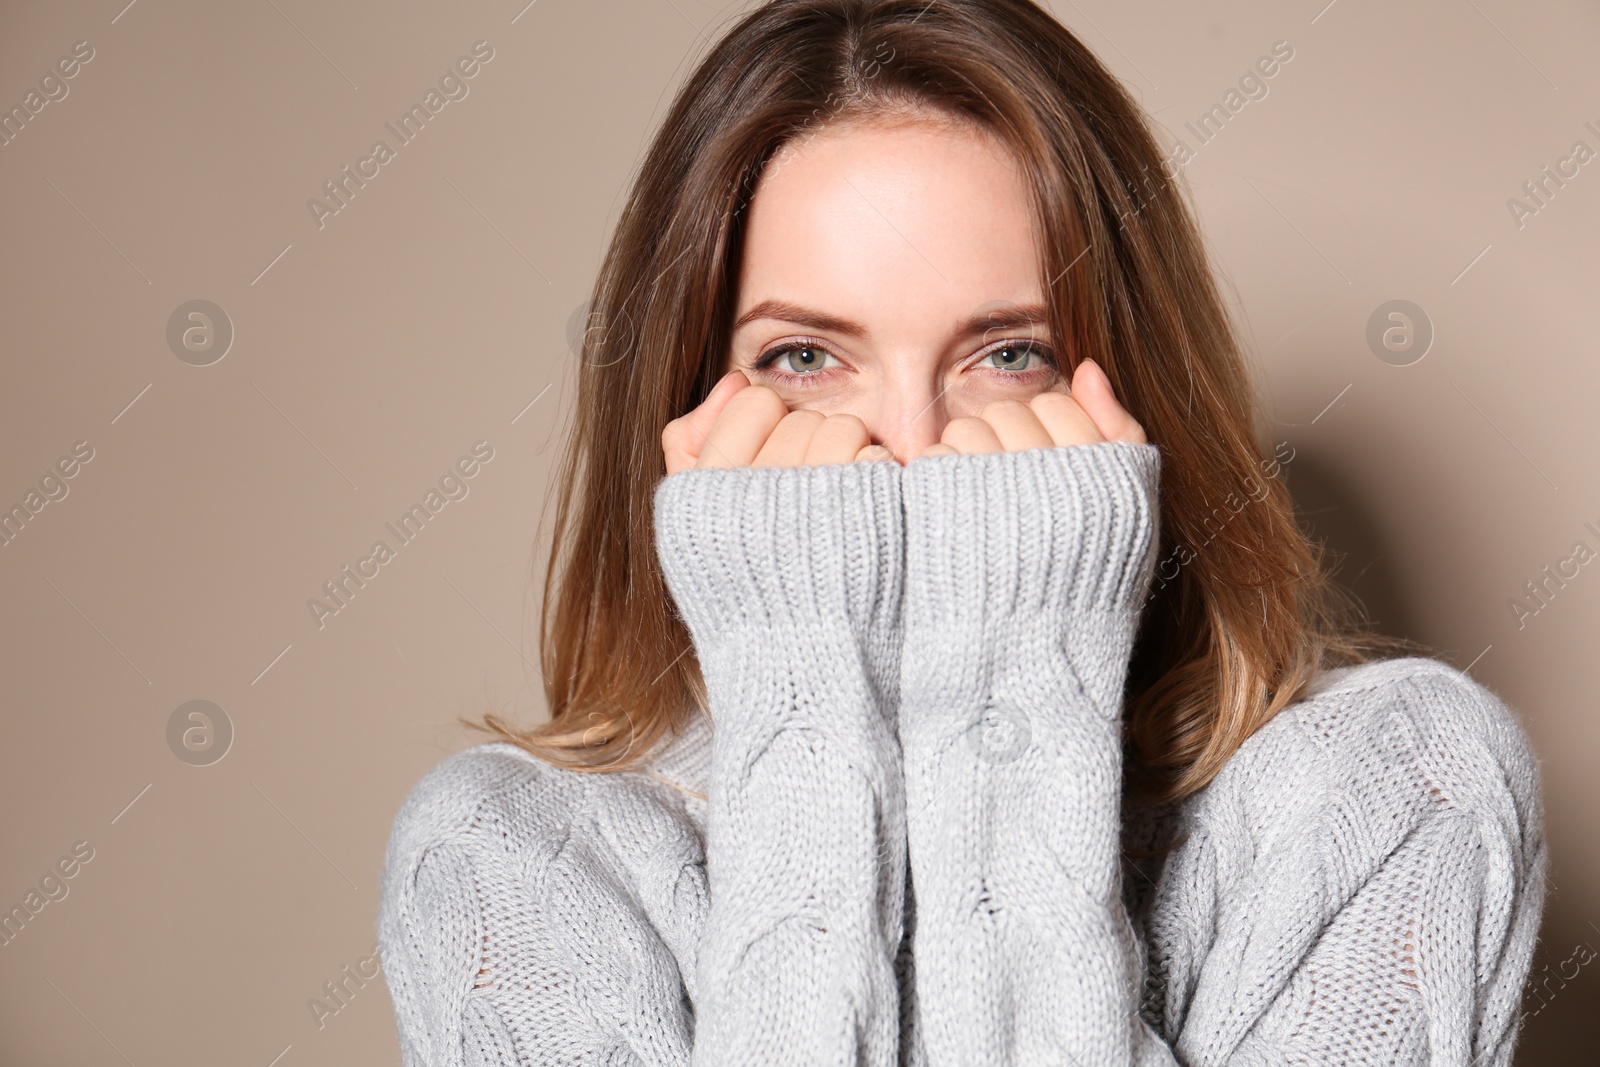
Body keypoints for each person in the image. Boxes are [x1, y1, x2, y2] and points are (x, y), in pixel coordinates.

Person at [375, 1, 1548, 1063]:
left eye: (1006, 354)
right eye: (802, 357)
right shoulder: (506, 859)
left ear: (1127, 393)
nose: (909, 441)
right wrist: (801, 677)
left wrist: (1015, 687)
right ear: (686, 410)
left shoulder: (1397, 790)